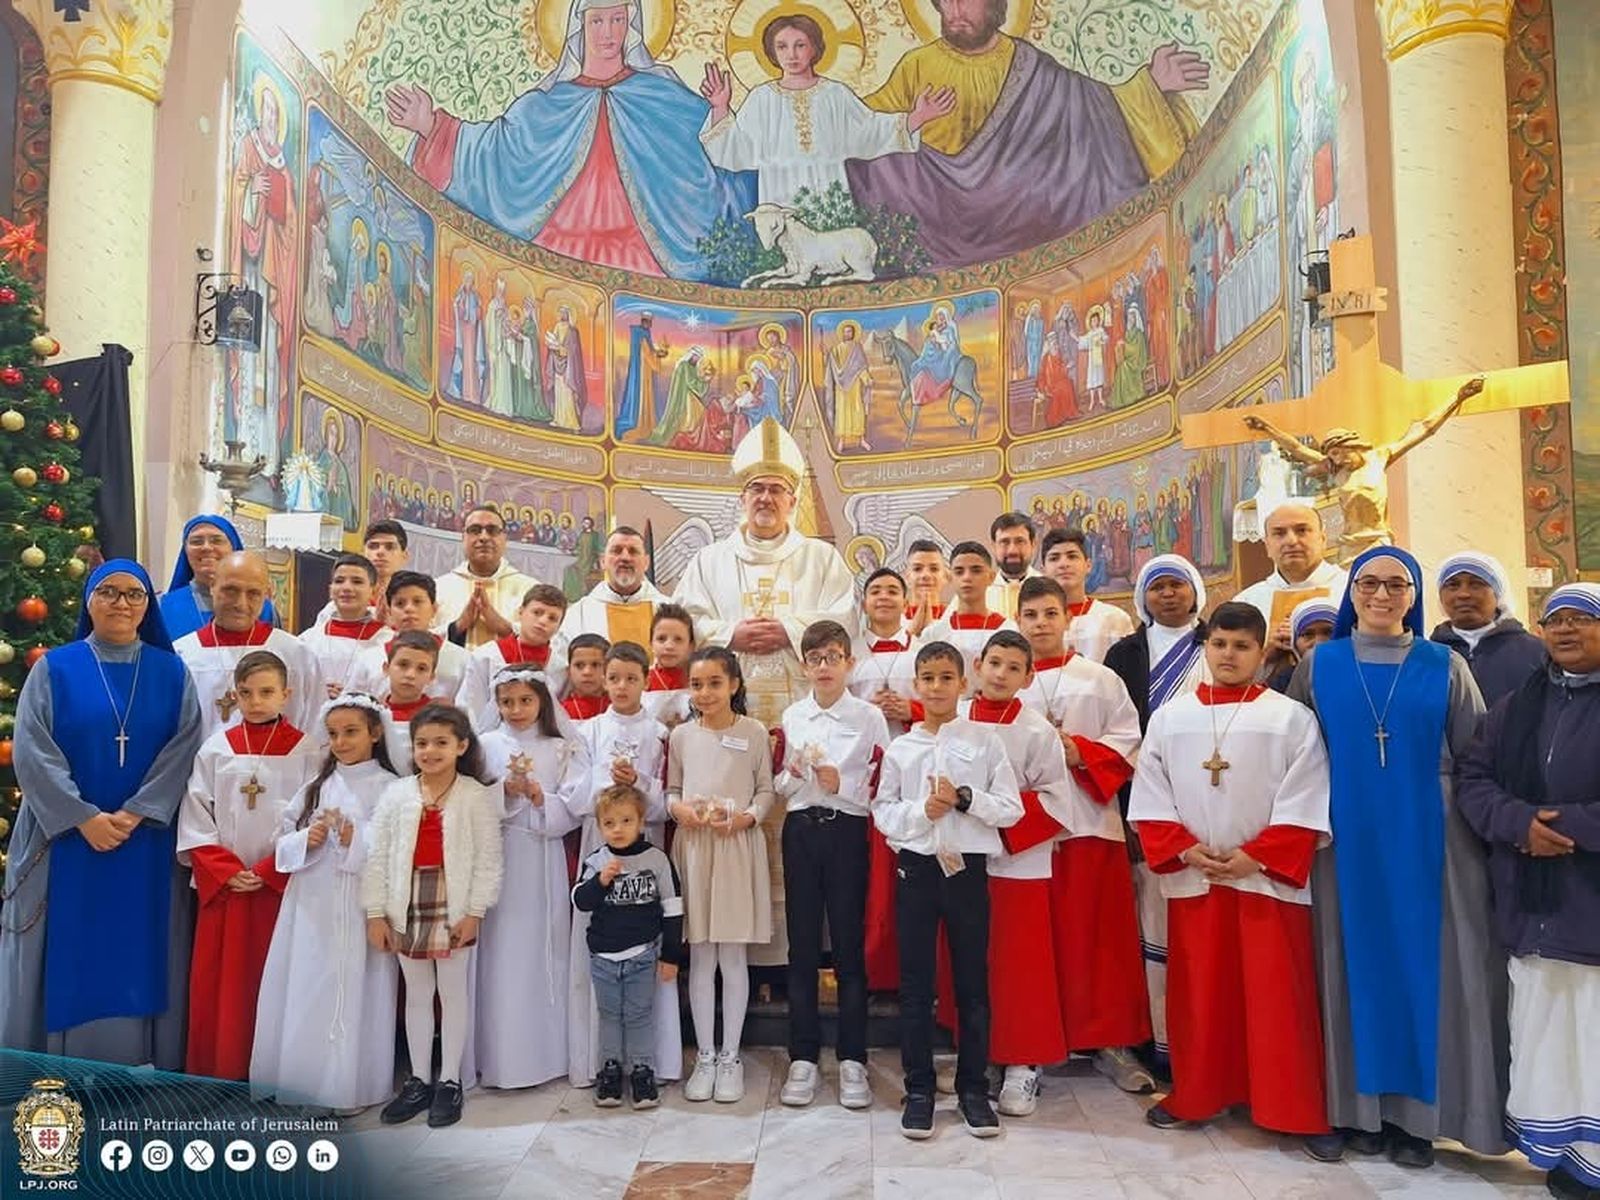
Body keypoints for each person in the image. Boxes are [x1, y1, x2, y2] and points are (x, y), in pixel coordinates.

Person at [1288, 546, 1503, 1166]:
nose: (1382, 595)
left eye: (1396, 585)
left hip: (1432, 838)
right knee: (1348, 965)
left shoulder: (1445, 664)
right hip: (1342, 839)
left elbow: (1477, 757)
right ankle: (1357, 1112)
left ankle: (1418, 1122)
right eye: (1369, 584)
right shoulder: (1319, 665)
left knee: (1426, 969)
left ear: (1413, 597)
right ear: (1352, 592)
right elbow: (1294, 754)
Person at [1129, 602, 1336, 1156]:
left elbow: (1307, 795)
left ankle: (1292, 1108)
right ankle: (1197, 1094)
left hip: (1266, 882)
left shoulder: (1290, 718)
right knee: (1201, 996)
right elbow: (1150, 793)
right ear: (1205, 647)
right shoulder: (1171, 717)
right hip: (1196, 879)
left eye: (1242, 646)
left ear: (1262, 652)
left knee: (1277, 998)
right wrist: (1184, 848)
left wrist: (1257, 856)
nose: (1229, 655)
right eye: (1220, 644)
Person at [387, 0, 754, 282]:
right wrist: (430, 125)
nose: (608, 32)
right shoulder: (545, 105)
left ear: (631, 23)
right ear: (579, 25)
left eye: (617, 19)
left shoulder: (661, 94)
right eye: (597, 21)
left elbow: (712, 161)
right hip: (559, 253)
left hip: (646, 258)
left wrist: (719, 110)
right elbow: (495, 153)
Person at [0, 561, 203, 1066]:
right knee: (70, 949)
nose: (121, 603)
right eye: (108, 592)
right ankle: (52, 1066)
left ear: (147, 606)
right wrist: (81, 817)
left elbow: (184, 746)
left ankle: (142, 1066)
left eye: (134, 594)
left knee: (141, 946)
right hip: (65, 836)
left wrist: (136, 813)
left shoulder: (171, 672)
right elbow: (33, 749)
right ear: (89, 601)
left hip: (146, 839)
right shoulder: (55, 668)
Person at [844, 0, 1205, 269]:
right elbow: (863, 126)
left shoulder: (1029, 65)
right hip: (937, 215)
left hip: (1018, 213)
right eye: (945, 1)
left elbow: (1094, 109)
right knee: (885, 168)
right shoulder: (917, 65)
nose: (954, 11)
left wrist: (1151, 84)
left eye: (966, 0)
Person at [1456, 583, 1600, 1200]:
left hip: (1589, 894)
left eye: (1581, 619)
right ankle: (1567, 1155)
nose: (1564, 630)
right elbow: (1473, 778)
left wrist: (1561, 829)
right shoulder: (1518, 706)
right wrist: (1518, 825)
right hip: (1533, 901)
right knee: (1547, 1030)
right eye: (1554, 620)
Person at [874, 640, 1022, 1140]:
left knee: (972, 983)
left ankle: (973, 1090)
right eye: (927, 678)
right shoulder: (902, 748)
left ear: (964, 683)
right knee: (916, 985)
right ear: (916, 685)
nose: (936, 687)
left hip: (966, 871)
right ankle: (918, 1091)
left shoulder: (985, 741)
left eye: (945, 678)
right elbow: (883, 811)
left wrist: (964, 799)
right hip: (916, 870)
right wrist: (922, 812)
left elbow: (1011, 808)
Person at [1012, 576, 1150, 1092]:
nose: (1041, 624)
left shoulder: (1099, 679)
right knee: (1035, 943)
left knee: (1098, 940)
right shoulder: (1008, 678)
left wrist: (1079, 752)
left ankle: (1109, 1041)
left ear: (1067, 618)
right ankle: (1031, 1042)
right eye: (1031, 615)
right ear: (1018, 620)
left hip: (1091, 824)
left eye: (1050, 613)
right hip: (1030, 832)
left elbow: (1130, 743)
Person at [249, 692, 401, 1113]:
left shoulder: (390, 786)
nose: (340, 742)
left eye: (351, 732)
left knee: (358, 988)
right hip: (311, 903)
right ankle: (306, 1082)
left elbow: (397, 844)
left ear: (375, 733)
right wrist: (306, 839)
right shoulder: (318, 785)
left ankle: (351, 1087)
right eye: (333, 734)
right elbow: (282, 838)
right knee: (308, 986)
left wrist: (357, 838)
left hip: (361, 903)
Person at [179, 650, 321, 1079]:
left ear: (286, 694)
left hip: (281, 887)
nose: (255, 701)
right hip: (228, 888)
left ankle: (279, 1073)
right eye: (246, 693)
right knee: (223, 984)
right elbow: (196, 816)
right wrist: (226, 871)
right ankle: (222, 1069)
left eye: (266, 692)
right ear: (234, 694)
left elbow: (314, 817)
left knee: (278, 981)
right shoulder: (216, 749)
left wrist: (269, 870)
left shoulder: (307, 751)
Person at [364, 704, 505, 1128]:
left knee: (453, 992)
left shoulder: (475, 795)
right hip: (405, 900)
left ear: (461, 746)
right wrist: (376, 912)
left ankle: (450, 1081)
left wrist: (475, 911)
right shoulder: (397, 794)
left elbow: (488, 860)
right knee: (417, 992)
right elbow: (378, 856)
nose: (430, 751)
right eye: (421, 743)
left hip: (453, 900)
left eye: (441, 742)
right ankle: (420, 1079)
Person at [672, 419, 857, 732]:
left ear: (792, 502)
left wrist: (790, 631)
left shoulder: (821, 558)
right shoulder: (709, 560)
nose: (765, 498)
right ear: (742, 499)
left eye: (776, 490)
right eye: (756, 488)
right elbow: (682, 627)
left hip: (806, 709)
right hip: (727, 708)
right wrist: (731, 635)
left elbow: (845, 620)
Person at [774, 621, 890, 1111]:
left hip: (846, 831)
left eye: (833, 657)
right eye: (815, 658)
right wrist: (793, 774)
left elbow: (884, 783)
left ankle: (852, 1057)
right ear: (804, 666)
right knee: (801, 944)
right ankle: (802, 1055)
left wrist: (841, 783)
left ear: (849, 663)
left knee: (847, 945)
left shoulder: (868, 717)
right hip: (801, 829)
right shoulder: (793, 714)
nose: (824, 666)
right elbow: (780, 785)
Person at [1104, 554, 1209, 1078]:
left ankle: (1207, 1040)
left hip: (1211, 797)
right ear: (1142, 597)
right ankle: (1160, 1042)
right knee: (1152, 921)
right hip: (1145, 799)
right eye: (1158, 586)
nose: (1168, 594)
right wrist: (1128, 809)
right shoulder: (1124, 653)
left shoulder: (1215, 643)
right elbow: (1118, 734)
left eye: (1177, 585)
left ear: (1196, 591)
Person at [958, 630, 1071, 1118]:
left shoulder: (1036, 730)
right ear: (978, 665)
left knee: (1020, 966)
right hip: (962, 860)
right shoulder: (956, 718)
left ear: (1028, 677)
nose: (1001, 674)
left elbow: (1056, 800)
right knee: (970, 960)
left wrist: (994, 820)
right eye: (994, 663)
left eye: (1013, 668)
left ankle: (1024, 1062)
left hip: (1017, 861)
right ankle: (976, 1057)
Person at [666, 647, 776, 1103]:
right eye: (697, 684)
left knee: (732, 955)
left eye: (715, 683)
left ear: (733, 684)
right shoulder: (681, 736)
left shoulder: (753, 733)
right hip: (695, 848)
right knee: (701, 955)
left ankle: (731, 1056)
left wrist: (747, 818)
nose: (705, 693)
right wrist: (679, 810)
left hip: (735, 846)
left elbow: (766, 790)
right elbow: (672, 788)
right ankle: (705, 1056)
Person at [698, 13, 950, 207]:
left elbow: (869, 132)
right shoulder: (761, 98)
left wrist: (917, 117)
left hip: (829, 191)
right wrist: (720, 107)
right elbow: (737, 149)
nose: (791, 54)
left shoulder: (835, 94)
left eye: (800, 45)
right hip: (778, 196)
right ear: (772, 51)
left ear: (815, 48)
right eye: (782, 46)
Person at [476, 667, 590, 1089]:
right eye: (507, 702)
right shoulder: (486, 744)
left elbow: (576, 803)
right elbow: (470, 798)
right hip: (499, 857)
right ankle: (499, 1057)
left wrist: (542, 798)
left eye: (525, 700)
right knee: (500, 955)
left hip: (543, 857)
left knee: (545, 950)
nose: (516, 709)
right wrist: (503, 793)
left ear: (542, 700)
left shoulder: (560, 747)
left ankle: (547, 1055)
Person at [572, 784, 683, 1109]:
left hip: (643, 955)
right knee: (609, 1015)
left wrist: (671, 956)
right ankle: (609, 1071)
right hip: (603, 958)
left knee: (639, 1015)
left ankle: (642, 1072)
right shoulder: (597, 860)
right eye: (609, 823)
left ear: (641, 822)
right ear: (599, 826)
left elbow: (673, 908)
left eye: (626, 821)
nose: (618, 829)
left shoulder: (656, 859)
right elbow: (580, 900)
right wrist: (600, 882)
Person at [848, 567, 920, 993]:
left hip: (916, 781)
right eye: (875, 590)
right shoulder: (851, 655)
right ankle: (874, 972)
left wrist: (913, 710)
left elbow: (955, 706)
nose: (884, 597)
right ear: (865, 602)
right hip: (865, 780)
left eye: (893, 590)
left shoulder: (924, 650)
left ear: (905, 600)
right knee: (871, 883)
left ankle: (913, 975)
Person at [173, 551, 321, 740]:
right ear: (212, 586)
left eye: (253, 593)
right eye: (230, 590)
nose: (240, 603)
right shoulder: (183, 654)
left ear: (267, 594)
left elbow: (315, 726)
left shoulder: (296, 654)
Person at [1429, 551, 1547, 707]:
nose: (1463, 594)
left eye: (1476, 584)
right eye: (1453, 585)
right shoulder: (1426, 656)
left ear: (1498, 594)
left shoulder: (1537, 653)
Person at [1234, 503, 1348, 656]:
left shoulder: (1352, 591)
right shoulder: (1247, 602)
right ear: (1267, 546)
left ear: (1323, 539)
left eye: (1302, 530)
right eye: (1279, 533)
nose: (1291, 541)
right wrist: (1263, 653)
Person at [347, 571, 470, 704]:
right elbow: (354, 707)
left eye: (417, 602)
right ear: (389, 611)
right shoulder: (369, 659)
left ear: (434, 609)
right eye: (400, 603)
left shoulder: (462, 660)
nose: (409, 609)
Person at [458, 584, 570, 723]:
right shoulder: (486, 656)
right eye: (537, 612)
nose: (543, 621)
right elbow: (470, 706)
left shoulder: (560, 668)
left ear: (559, 626)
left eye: (552, 618)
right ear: (521, 612)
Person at [160, 514, 279, 639]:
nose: (206, 547)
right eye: (196, 542)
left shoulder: (264, 609)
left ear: (233, 547)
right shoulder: (164, 607)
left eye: (216, 540)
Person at [434, 505, 536, 649]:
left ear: (504, 538)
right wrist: (458, 626)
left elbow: (547, 642)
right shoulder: (439, 588)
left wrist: (504, 627)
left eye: (492, 530)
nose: (484, 537)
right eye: (475, 530)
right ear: (463, 537)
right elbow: (420, 639)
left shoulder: (531, 590)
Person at [922, 542, 1017, 685]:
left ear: (991, 577)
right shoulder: (934, 633)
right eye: (959, 572)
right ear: (950, 577)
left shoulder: (1008, 630)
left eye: (976, 570)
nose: (967, 577)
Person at [560, 525, 666, 648]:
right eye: (616, 551)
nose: (625, 557)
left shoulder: (666, 611)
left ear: (646, 563)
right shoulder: (578, 615)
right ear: (603, 561)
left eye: (633, 551)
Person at [1040, 527, 1134, 662]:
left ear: (1088, 565)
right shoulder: (1035, 623)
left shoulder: (1115, 619)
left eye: (1072, 556)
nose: (1063, 564)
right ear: (1043, 570)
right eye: (1054, 558)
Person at [299, 553, 386, 699]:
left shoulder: (386, 640)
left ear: (374, 591)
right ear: (330, 590)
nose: (346, 587)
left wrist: (352, 697)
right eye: (339, 581)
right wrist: (318, 692)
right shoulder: (307, 640)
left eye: (357, 581)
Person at [312, 520, 412, 627]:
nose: (380, 552)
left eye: (390, 547)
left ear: (405, 556)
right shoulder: (337, 607)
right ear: (363, 553)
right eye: (373, 546)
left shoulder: (413, 605)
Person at [1268, 597, 1337, 693]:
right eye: (1307, 634)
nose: (1319, 643)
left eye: (1328, 632)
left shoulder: (1356, 674)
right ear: (1294, 643)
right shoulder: (1283, 682)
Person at [645, 604, 695, 728]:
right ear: (651, 643)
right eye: (661, 639)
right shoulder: (642, 679)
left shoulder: (697, 680)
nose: (669, 646)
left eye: (678, 639)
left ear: (690, 646)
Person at [985, 512, 1041, 621]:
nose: (1012, 550)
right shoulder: (978, 593)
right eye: (1004, 542)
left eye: (1020, 541)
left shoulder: (1050, 589)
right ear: (993, 546)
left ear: (1033, 544)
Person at [903, 539, 950, 635]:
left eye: (934, 569)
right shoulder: (893, 619)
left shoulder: (954, 618)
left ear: (945, 576)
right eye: (917, 569)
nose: (926, 575)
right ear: (906, 577)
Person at [563, 633, 612, 722]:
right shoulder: (560, 712)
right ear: (568, 671)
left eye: (595, 665)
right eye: (579, 665)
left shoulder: (618, 707)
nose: (587, 672)